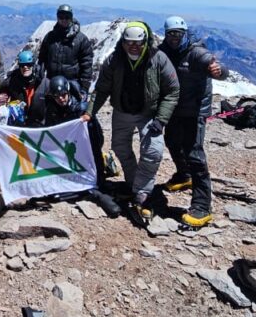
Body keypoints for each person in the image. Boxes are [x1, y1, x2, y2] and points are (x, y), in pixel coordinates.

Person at [85, 22, 179, 226]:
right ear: (123, 42)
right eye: (129, 42)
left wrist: (161, 119)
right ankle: (135, 184)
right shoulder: (114, 60)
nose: (134, 46)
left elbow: (173, 90)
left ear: (146, 41)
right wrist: (89, 113)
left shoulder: (158, 59)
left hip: (148, 114)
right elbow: (101, 89)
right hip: (122, 111)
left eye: (138, 42)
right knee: (120, 147)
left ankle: (142, 194)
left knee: (153, 152)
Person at [158, 16, 228, 228]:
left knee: (194, 154)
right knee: (171, 140)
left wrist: (219, 71)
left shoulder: (196, 52)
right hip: (175, 108)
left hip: (195, 110)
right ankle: (183, 174)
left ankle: (202, 206)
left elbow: (219, 69)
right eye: (170, 34)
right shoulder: (164, 51)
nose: (174, 38)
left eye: (178, 34)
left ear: (185, 33)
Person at [38, 5, 94, 95]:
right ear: (57, 17)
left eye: (67, 17)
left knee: (75, 108)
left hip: (72, 83)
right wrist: (40, 74)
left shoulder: (81, 39)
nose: (64, 19)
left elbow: (86, 65)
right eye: (61, 16)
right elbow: (42, 58)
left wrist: (84, 87)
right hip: (52, 81)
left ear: (71, 18)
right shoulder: (50, 37)